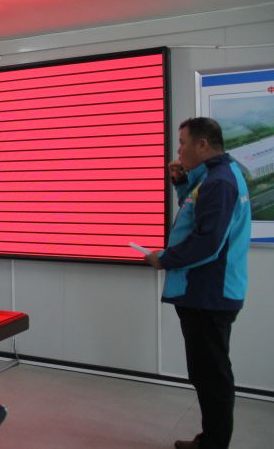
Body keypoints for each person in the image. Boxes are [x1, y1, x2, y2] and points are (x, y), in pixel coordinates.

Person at [144, 117, 251, 449]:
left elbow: (207, 243)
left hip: (209, 294)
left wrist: (164, 259)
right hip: (206, 292)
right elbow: (195, 214)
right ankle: (210, 439)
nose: (179, 150)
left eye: (183, 143)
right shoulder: (216, 176)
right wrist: (181, 182)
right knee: (207, 373)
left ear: (202, 145)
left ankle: (214, 444)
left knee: (212, 376)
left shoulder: (219, 183)